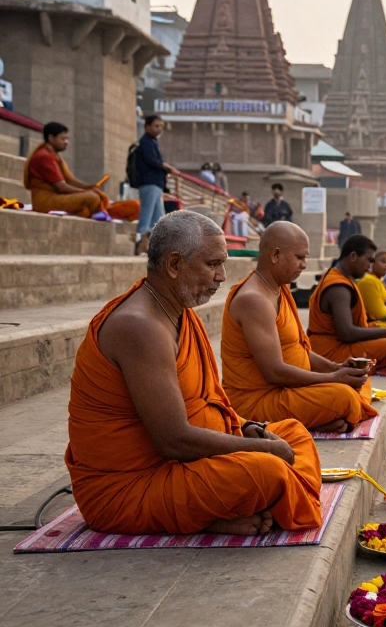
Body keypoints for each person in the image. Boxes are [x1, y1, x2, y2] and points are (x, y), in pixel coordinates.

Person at [65, 211, 321, 535]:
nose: (222, 276)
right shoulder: (138, 326)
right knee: (269, 468)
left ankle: (226, 509)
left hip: (182, 465)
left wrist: (247, 429)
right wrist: (262, 448)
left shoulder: (178, 312)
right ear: (174, 265)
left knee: (295, 434)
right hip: (130, 486)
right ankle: (227, 510)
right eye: (213, 264)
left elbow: (208, 402)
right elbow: (173, 440)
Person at [222, 222, 378, 433]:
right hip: (256, 401)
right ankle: (292, 424)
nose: (305, 264)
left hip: (286, 390)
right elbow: (274, 373)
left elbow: (298, 349)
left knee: (355, 386)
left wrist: (336, 367)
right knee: (345, 398)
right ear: (275, 254)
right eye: (300, 257)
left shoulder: (278, 289)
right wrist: (332, 378)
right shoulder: (254, 299)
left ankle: (310, 421)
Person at [308, 234, 386, 376]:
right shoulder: (338, 288)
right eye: (368, 260)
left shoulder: (344, 279)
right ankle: (370, 367)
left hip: (336, 346)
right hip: (330, 354)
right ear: (353, 256)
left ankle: (371, 366)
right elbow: (347, 333)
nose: (369, 266)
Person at [24, 122, 139, 220]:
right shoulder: (44, 157)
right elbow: (61, 187)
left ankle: (102, 212)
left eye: (67, 138)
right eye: (63, 139)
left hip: (56, 197)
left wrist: (89, 187)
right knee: (92, 198)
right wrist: (85, 192)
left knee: (97, 195)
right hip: (45, 202)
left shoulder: (54, 155)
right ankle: (101, 213)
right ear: (51, 138)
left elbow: (70, 180)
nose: (66, 142)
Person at [135, 115, 175, 254]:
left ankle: (156, 248)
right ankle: (140, 244)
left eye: (160, 126)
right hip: (149, 183)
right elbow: (152, 161)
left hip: (156, 184)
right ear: (147, 127)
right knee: (146, 215)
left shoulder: (152, 142)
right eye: (156, 126)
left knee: (159, 218)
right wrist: (166, 167)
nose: (159, 129)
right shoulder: (145, 142)